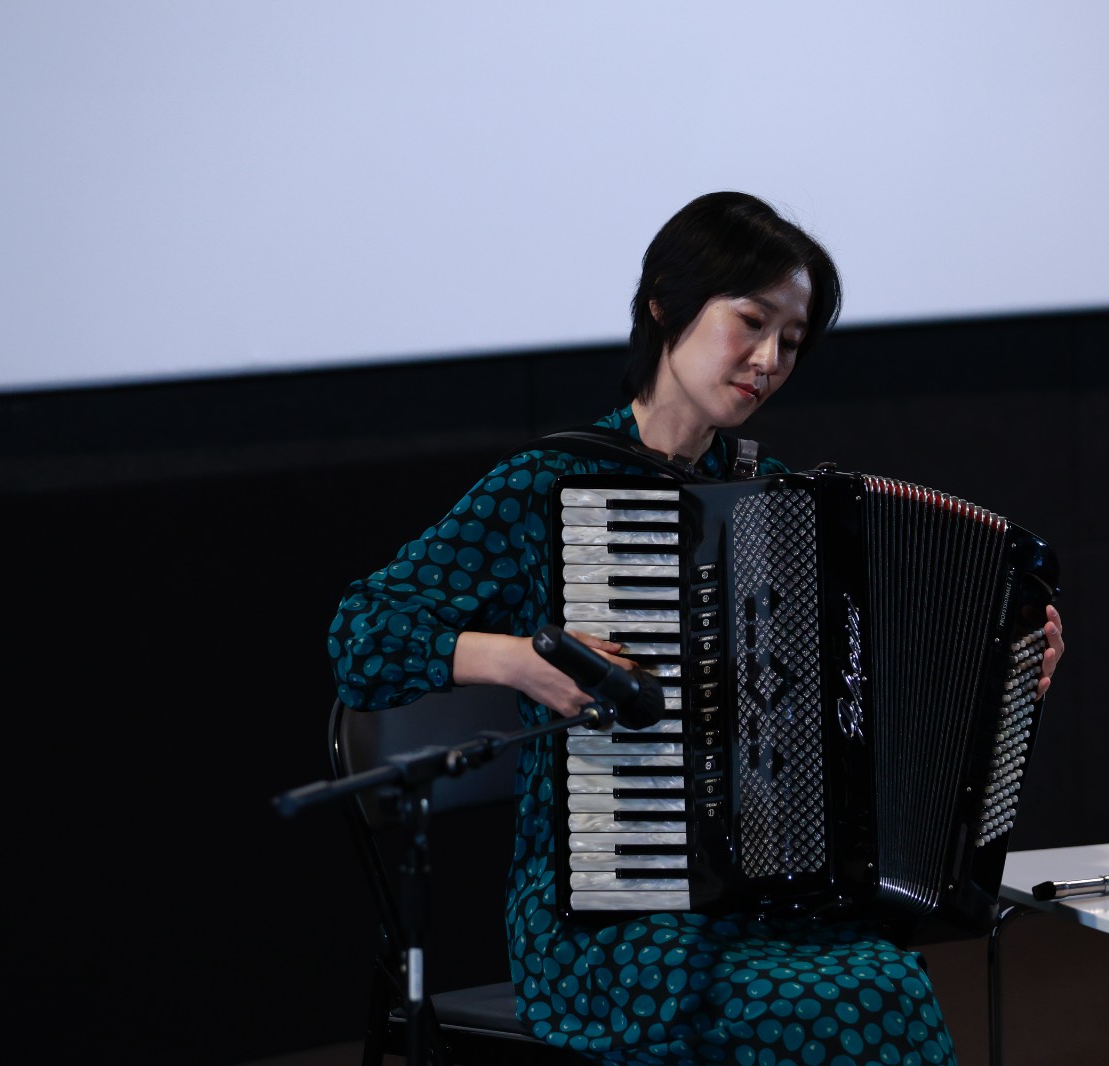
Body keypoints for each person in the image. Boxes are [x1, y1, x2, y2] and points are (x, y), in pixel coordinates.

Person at [329, 191, 1065, 1065]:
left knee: (878, 982)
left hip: (760, 898)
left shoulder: (780, 505)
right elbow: (363, 634)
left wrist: (1002, 662)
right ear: (665, 305)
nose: (768, 360)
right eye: (750, 322)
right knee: (860, 1003)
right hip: (602, 919)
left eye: (790, 342)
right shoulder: (548, 485)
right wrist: (520, 661)